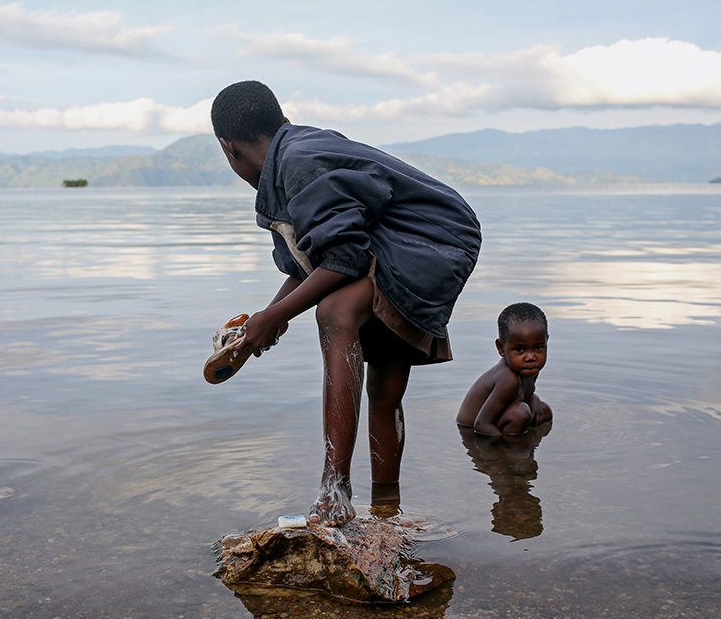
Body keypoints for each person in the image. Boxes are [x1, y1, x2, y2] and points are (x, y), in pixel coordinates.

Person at [210, 80, 481, 526]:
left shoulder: (298, 162)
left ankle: (334, 492)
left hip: (432, 242)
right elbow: (310, 263)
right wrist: (268, 320)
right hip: (418, 241)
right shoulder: (294, 155)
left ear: (228, 147)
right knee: (384, 382)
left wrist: (276, 315)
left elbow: (343, 258)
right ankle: (387, 513)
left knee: (336, 313)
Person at [456, 302, 553, 437]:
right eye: (520, 350)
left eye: (538, 348)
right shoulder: (508, 379)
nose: (530, 357)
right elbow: (482, 424)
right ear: (501, 348)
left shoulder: (529, 368)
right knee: (520, 414)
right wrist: (508, 451)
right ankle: (516, 453)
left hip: (494, 421)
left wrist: (534, 399)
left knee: (544, 410)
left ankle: (528, 448)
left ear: (546, 342)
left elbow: (522, 395)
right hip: (472, 432)